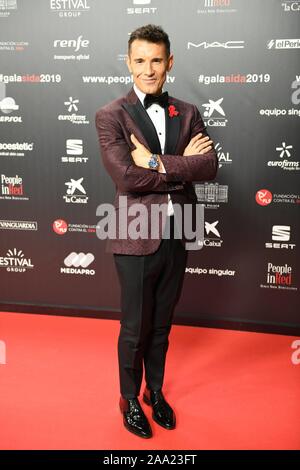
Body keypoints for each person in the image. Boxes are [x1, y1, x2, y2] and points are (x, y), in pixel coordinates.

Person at [95, 24, 218, 439]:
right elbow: (126, 178)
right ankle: (128, 398)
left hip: (178, 232)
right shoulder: (111, 115)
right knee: (135, 327)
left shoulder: (187, 112)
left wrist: (155, 162)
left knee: (162, 324)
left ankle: (155, 391)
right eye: (140, 60)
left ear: (170, 62)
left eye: (157, 60)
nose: (149, 69)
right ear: (129, 62)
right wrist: (178, 165)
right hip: (134, 236)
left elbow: (209, 166)